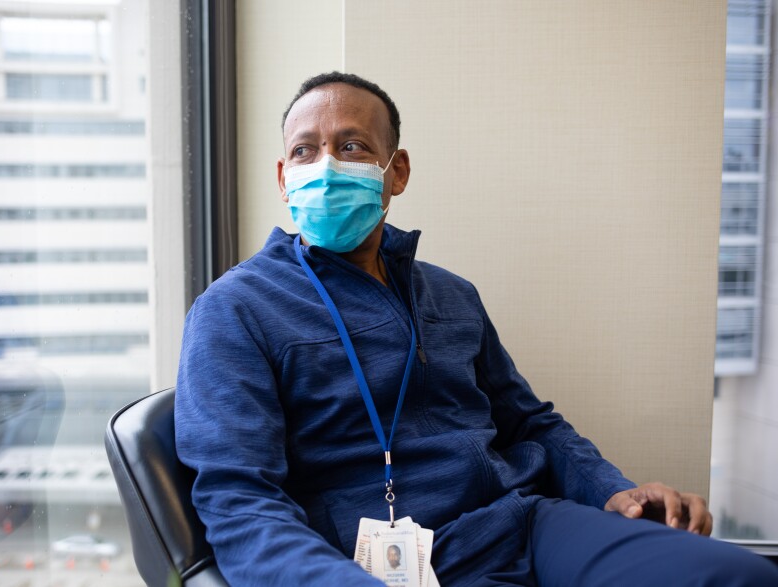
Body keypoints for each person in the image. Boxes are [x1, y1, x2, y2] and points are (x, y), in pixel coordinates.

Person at [175, 72, 778, 586]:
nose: (326, 167)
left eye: (352, 146)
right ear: (284, 177)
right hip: (370, 566)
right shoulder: (234, 309)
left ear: (396, 171)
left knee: (737, 576)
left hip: (522, 525)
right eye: (305, 151)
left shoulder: (450, 294)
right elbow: (240, 501)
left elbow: (528, 423)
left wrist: (612, 490)